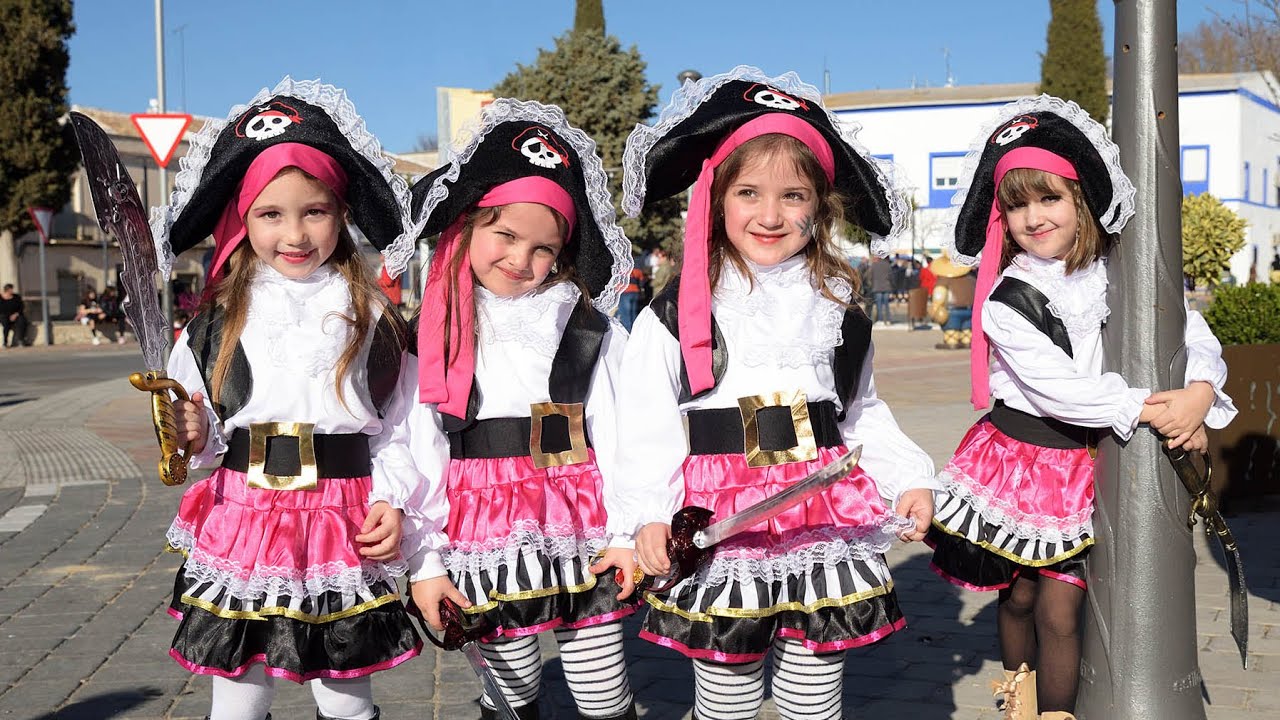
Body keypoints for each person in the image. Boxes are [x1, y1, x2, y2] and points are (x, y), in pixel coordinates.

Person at [614, 67, 937, 720]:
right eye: (749, 193)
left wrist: (909, 476)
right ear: (715, 200)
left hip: (820, 513)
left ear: (819, 204)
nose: (770, 215)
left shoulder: (839, 308)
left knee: (814, 690)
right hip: (722, 521)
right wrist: (645, 514)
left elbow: (860, 412)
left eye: (793, 196)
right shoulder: (675, 310)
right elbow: (644, 426)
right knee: (727, 692)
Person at [924, 96, 1238, 720]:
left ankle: (1056, 715)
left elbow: (1190, 331)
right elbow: (1060, 390)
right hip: (1021, 458)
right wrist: (1155, 409)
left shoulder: (1120, 269)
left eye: (1050, 198)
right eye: (1017, 205)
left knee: (1060, 608)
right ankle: (1018, 697)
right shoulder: (1007, 300)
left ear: (1081, 199)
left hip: (1085, 457)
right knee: (1018, 596)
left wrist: (1200, 392)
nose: (1034, 217)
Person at [154, 78, 423, 720]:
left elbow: (401, 428)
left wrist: (392, 499)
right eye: (271, 215)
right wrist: (194, 431)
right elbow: (203, 431)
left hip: (342, 519)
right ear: (242, 220)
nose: (294, 233)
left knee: (345, 694)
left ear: (342, 214)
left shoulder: (374, 317)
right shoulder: (215, 323)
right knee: (238, 694)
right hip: (247, 516)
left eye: (314, 211)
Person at [403, 99, 639, 720]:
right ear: (466, 229)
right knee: (510, 689)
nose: (520, 260)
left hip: (581, 520)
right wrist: (425, 563)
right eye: (505, 236)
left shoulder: (585, 326)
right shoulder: (433, 332)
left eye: (542, 248)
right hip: (479, 526)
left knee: (600, 686)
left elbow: (620, 433)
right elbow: (420, 448)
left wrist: (625, 533)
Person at [928, 253, 976, 350]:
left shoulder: (943, 281)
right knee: (967, 329)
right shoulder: (971, 279)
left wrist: (936, 307)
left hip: (952, 311)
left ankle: (952, 341)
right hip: (970, 310)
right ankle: (967, 340)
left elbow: (939, 296)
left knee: (951, 329)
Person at [617, 263, 649, 330]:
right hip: (635, 293)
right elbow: (642, 282)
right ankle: (635, 330)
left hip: (625, 292)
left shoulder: (620, 269)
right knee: (634, 313)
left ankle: (628, 332)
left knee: (625, 315)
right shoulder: (637, 269)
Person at [868, 254, 893, 324]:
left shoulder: (874, 265)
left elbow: (870, 276)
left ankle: (880, 320)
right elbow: (891, 276)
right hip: (886, 286)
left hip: (877, 287)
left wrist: (872, 284)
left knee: (879, 305)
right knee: (886, 304)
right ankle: (888, 319)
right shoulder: (887, 265)